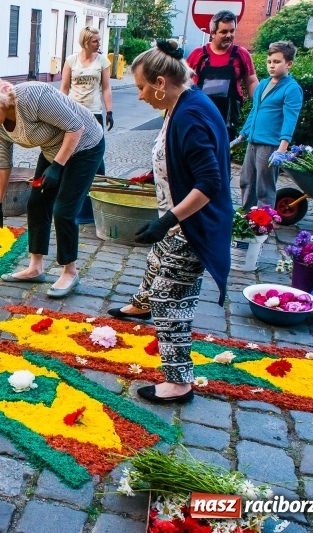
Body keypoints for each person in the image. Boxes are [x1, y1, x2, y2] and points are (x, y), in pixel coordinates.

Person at [109, 40, 232, 403]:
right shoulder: (181, 103)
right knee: (156, 262)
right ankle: (142, 303)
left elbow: (210, 183)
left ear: (161, 82)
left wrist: (168, 221)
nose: (141, 96)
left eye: (142, 87)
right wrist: (155, 175)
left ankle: (179, 382)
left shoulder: (190, 115)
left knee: (172, 301)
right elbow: (181, 158)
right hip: (177, 216)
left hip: (192, 224)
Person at [0, 78, 104, 298]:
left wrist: (57, 167)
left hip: (85, 145)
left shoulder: (33, 96)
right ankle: (35, 268)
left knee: (64, 210)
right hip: (52, 149)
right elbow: (3, 163)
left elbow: (76, 128)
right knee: (37, 204)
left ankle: (70, 271)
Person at [234, 41, 303, 210]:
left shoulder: (291, 89)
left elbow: (290, 119)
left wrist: (282, 149)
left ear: (289, 64)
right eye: (269, 61)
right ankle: (247, 218)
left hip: (270, 145)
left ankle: (263, 224)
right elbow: (255, 112)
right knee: (246, 181)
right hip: (253, 141)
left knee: (263, 187)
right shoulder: (263, 84)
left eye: (277, 62)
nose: (272, 66)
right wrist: (242, 135)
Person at [186, 10, 258, 142]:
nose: (229, 35)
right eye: (224, 32)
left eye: (232, 31)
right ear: (213, 33)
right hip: (200, 114)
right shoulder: (198, 54)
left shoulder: (241, 54)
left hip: (228, 117)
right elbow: (183, 83)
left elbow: (251, 81)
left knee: (223, 154)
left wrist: (260, 103)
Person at [60, 26, 113, 176]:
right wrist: (59, 109)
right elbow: (64, 88)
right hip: (74, 111)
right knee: (72, 146)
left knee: (96, 147)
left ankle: (99, 180)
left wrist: (109, 111)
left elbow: (106, 88)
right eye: (95, 41)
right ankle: (70, 176)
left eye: (99, 41)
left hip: (94, 111)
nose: (99, 44)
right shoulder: (71, 61)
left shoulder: (102, 61)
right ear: (85, 42)